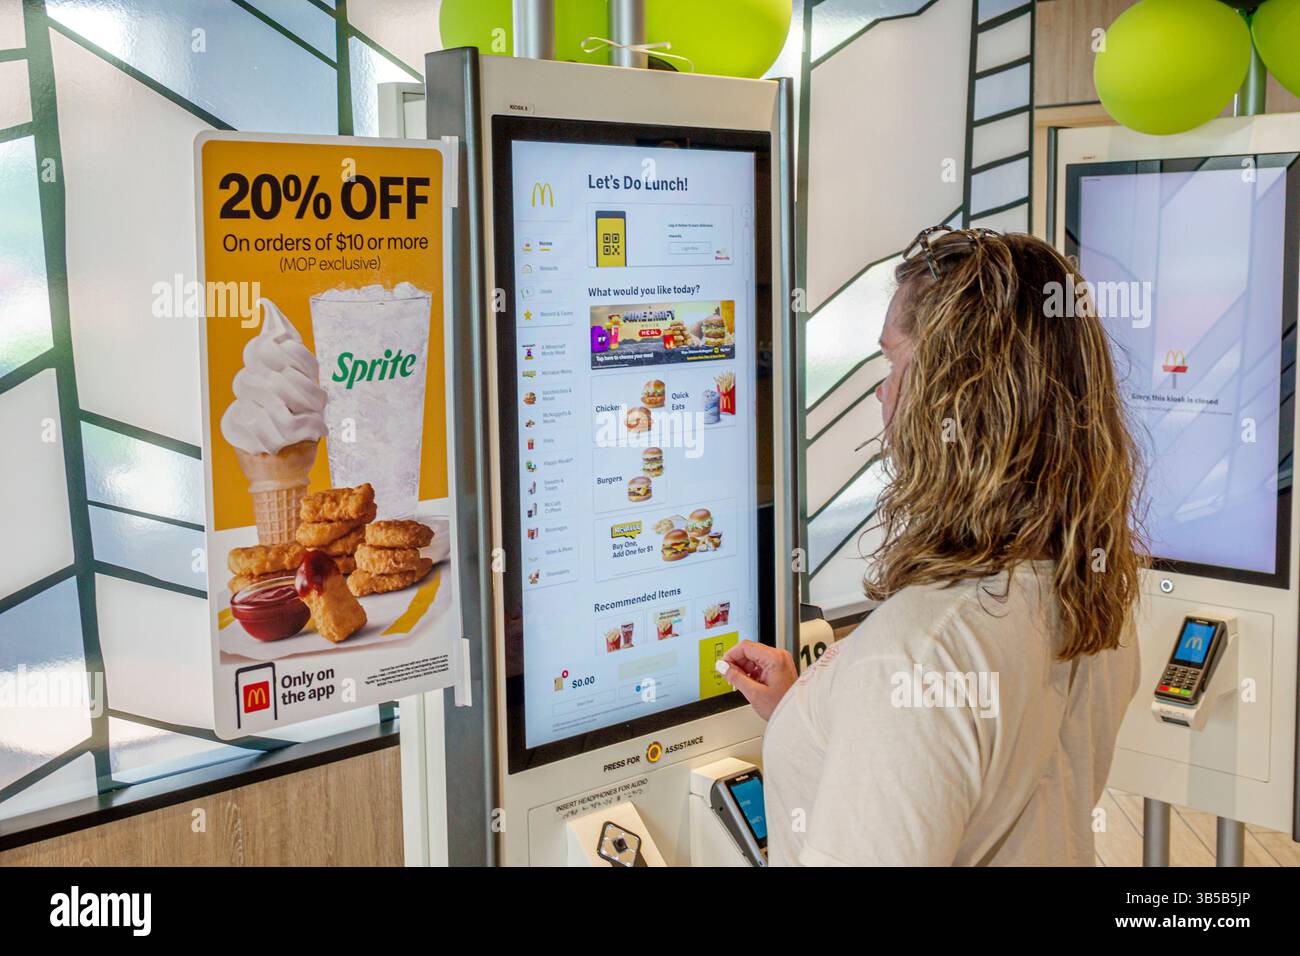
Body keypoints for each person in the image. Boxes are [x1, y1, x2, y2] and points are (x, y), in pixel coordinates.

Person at [723, 227, 1144, 866]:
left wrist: (872, 698)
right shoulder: (1086, 589)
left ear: (956, 391)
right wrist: (813, 712)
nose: (882, 393)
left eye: (894, 363)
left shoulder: (919, 653)